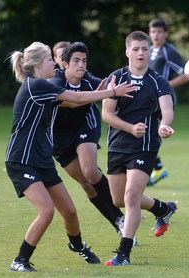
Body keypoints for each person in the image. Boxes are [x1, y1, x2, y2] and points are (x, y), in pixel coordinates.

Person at [5, 41, 135, 272]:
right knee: (46, 211)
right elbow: (75, 99)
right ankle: (20, 260)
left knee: (70, 211)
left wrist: (100, 91)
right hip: (21, 159)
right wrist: (112, 92)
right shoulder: (35, 85)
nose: (53, 63)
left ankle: (77, 246)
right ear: (36, 65)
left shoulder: (43, 86)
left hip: (41, 160)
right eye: (48, 60)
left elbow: (74, 102)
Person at [101, 31, 178, 266]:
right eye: (135, 49)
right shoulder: (116, 78)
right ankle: (163, 208)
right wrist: (129, 127)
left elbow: (167, 109)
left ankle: (123, 253)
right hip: (117, 145)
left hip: (144, 147)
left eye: (144, 49)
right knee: (118, 200)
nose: (141, 53)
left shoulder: (157, 81)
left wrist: (164, 125)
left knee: (131, 196)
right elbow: (106, 114)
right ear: (127, 52)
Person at [48, 42, 128, 237]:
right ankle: (117, 220)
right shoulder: (54, 82)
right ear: (64, 63)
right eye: (76, 61)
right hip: (60, 138)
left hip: (85, 127)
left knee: (90, 172)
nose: (81, 65)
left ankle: (123, 216)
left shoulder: (89, 80)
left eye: (84, 61)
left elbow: (109, 89)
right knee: (86, 184)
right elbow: (71, 101)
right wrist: (99, 94)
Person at [147, 18, 189, 186]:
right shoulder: (148, 50)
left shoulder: (168, 51)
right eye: (153, 31)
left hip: (163, 98)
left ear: (166, 34)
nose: (156, 35)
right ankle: (156, 168)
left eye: (159, 32)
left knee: (147, 130)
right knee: (147, 130)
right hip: (148, 98)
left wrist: (166, 85)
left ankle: (154, 168)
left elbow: (186, 74)